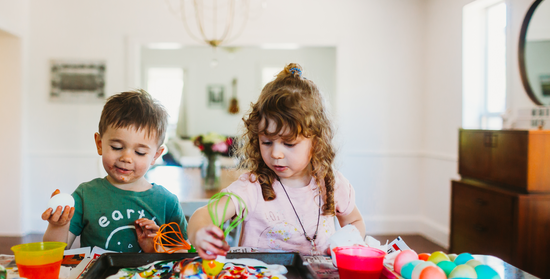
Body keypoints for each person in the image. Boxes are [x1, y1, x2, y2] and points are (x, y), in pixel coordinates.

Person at [188, 63, 365, 259]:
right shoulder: (252, 188)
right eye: (267, 142)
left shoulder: (331, 184)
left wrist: (348, 245)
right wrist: (199, 233)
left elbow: (354, 222)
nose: (276, 153)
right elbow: (203, 215)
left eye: (289, 143)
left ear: (316, 142)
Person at [42, 89, 188, 253]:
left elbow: (182, 257)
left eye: (139, 152)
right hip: (97, 278)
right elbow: (55, 253)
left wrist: (156, 248)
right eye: (117, 147)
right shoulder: (86, 195)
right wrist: (58, 225)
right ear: (99, 144)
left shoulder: (166, 202)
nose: (126, 158)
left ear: (155, 156)